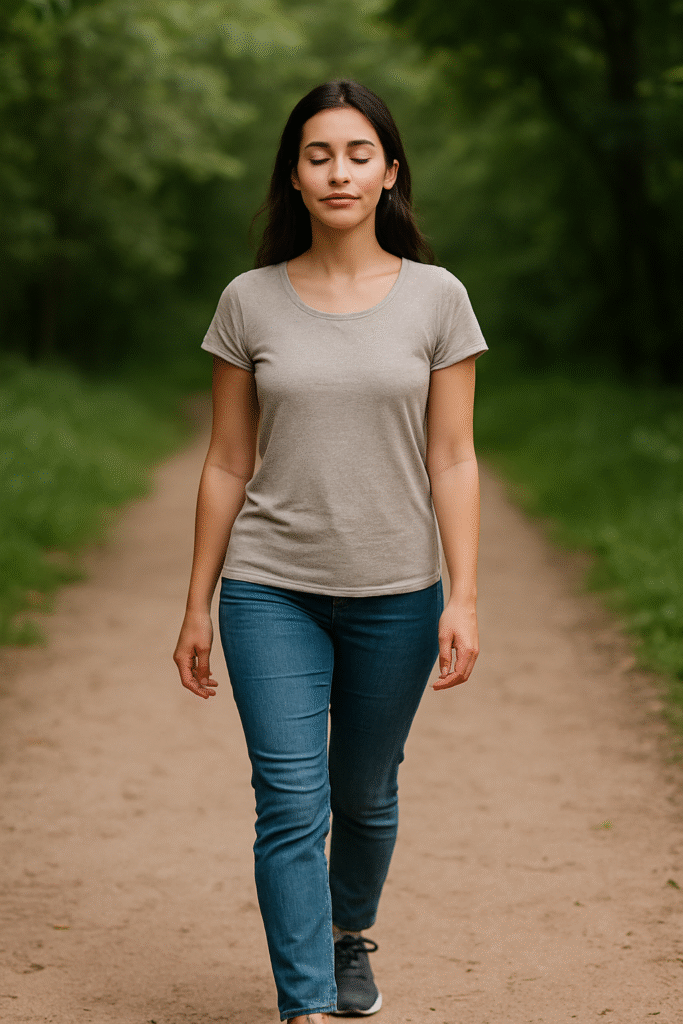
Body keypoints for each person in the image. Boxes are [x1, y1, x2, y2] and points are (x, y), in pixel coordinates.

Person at [173, 79, 488, 1024]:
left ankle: (349, 934)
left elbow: (455, 455)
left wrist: (462, 597)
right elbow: (228, 461)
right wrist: (197, 602)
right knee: (288, 802)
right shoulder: (249, 301)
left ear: (389, 173)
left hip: (397, 589)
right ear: (295, 176)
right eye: (318, 155)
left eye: (358, 153)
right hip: (271, 589)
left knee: (364, 792)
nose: (339, 171)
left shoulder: (438, 299)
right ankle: (305, 1003)